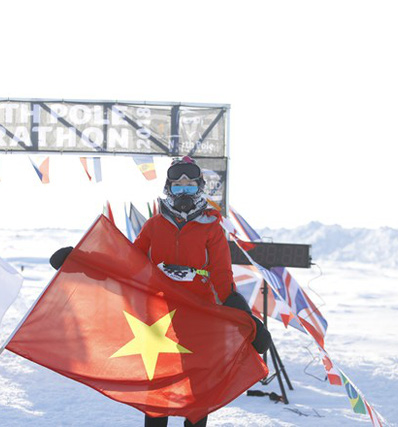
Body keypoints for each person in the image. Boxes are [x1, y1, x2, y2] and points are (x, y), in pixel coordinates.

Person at [49, 156, 271, 427]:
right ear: (169, 189)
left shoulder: (211, 228)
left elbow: (223, 280)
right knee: (159, 388)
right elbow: (127, 262)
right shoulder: (154, 225)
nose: (184, 191)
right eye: (178, 186)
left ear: (200, 188)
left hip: (198, 320)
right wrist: (80, 260)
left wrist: (249, 321)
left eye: (189, 185)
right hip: (160, 318)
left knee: (198, 388)